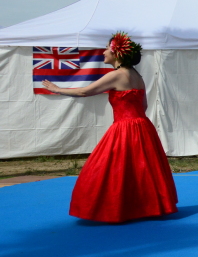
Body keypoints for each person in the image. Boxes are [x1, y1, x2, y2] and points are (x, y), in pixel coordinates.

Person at [42, 32, 178, 223]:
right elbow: (144, 105)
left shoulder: (116, 75)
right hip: (143, 127)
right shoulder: (137, 76)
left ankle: (116, 209)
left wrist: (57, 90)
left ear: (116, 53)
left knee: (108, 169)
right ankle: (145, 207)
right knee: (141, 170)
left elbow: (85, 92)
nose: (103, 52)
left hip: (124, 128)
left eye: (107, 48)